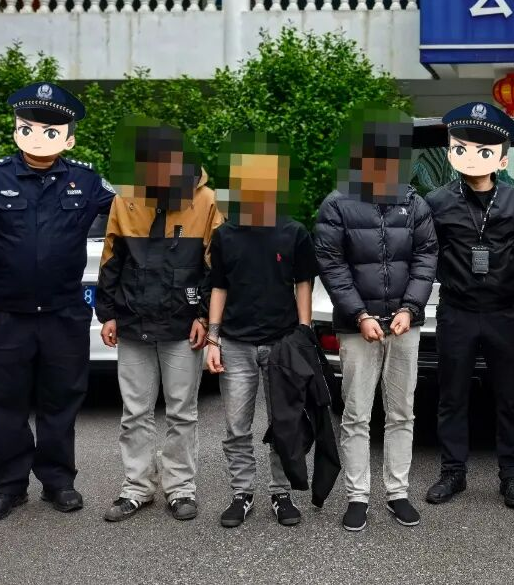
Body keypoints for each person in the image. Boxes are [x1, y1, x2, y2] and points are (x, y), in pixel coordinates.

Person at [0, 82, 115, 522]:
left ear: (68, 138)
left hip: (64, 314)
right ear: (17, 130)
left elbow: (132, 213)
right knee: (5, 403)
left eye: (52, 130)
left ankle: (58, 482)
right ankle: (7, 487)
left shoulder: (86, 180)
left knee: (61, 401)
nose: (40, 137)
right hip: (5, 315)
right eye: (29, 127)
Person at [315, 109, 437, 533]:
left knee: (402, 413)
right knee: (356, 414)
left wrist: (410, 309)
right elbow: (331, 264)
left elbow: (426, 257)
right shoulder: (337, 204)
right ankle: (357, 496)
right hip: (357, 328)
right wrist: (359, 314)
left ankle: (397, 492)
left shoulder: (414, 202)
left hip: (405, 324)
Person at [96, 120, 222, 523]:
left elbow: (215, 265)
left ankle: (181, 488)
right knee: (135, 412)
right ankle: (136, 488)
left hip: (183, 325)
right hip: (132, 321)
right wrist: (107, 313)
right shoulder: (126, 198)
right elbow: (111, 258)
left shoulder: (206, 200)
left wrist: (204, 316)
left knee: (182, 412)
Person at [203, 133, 319, 528]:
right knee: (236, 427)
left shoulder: (294, 232)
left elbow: (303, 284)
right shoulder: (225, 235)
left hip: (282, 343)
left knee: (283, 424)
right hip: (235, 344)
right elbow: (219, 287)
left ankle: (281, 493)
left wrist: (303, 333)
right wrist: (213, 339)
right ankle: (242, 493)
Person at [424, 102, 514, 510]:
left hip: (504, 312)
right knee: (452, 397)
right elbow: (424, 256)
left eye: (484, 149)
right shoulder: (436, 202)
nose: (472, 156)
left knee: (511, 397)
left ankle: (513, 477)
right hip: (457, 311)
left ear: (502, 158)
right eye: (463, 147)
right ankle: (452, 473)